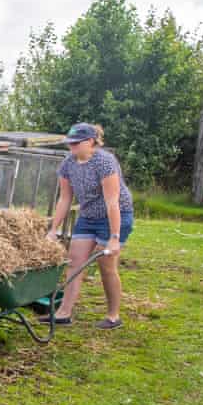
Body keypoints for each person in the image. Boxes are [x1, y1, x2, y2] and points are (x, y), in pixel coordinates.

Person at [43, 123, 134, 329]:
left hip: (115, 216)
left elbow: (113, 202)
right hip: (88, 217)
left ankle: (113, 316)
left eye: (76, 143)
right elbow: (65, 199)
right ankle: (63, 313)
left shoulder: (104, 161)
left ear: (91, 141)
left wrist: (114, 236)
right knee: (75, 262)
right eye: (70, 143)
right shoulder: (68, 164)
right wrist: (53, 230)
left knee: (106, 266)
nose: (71, 146)